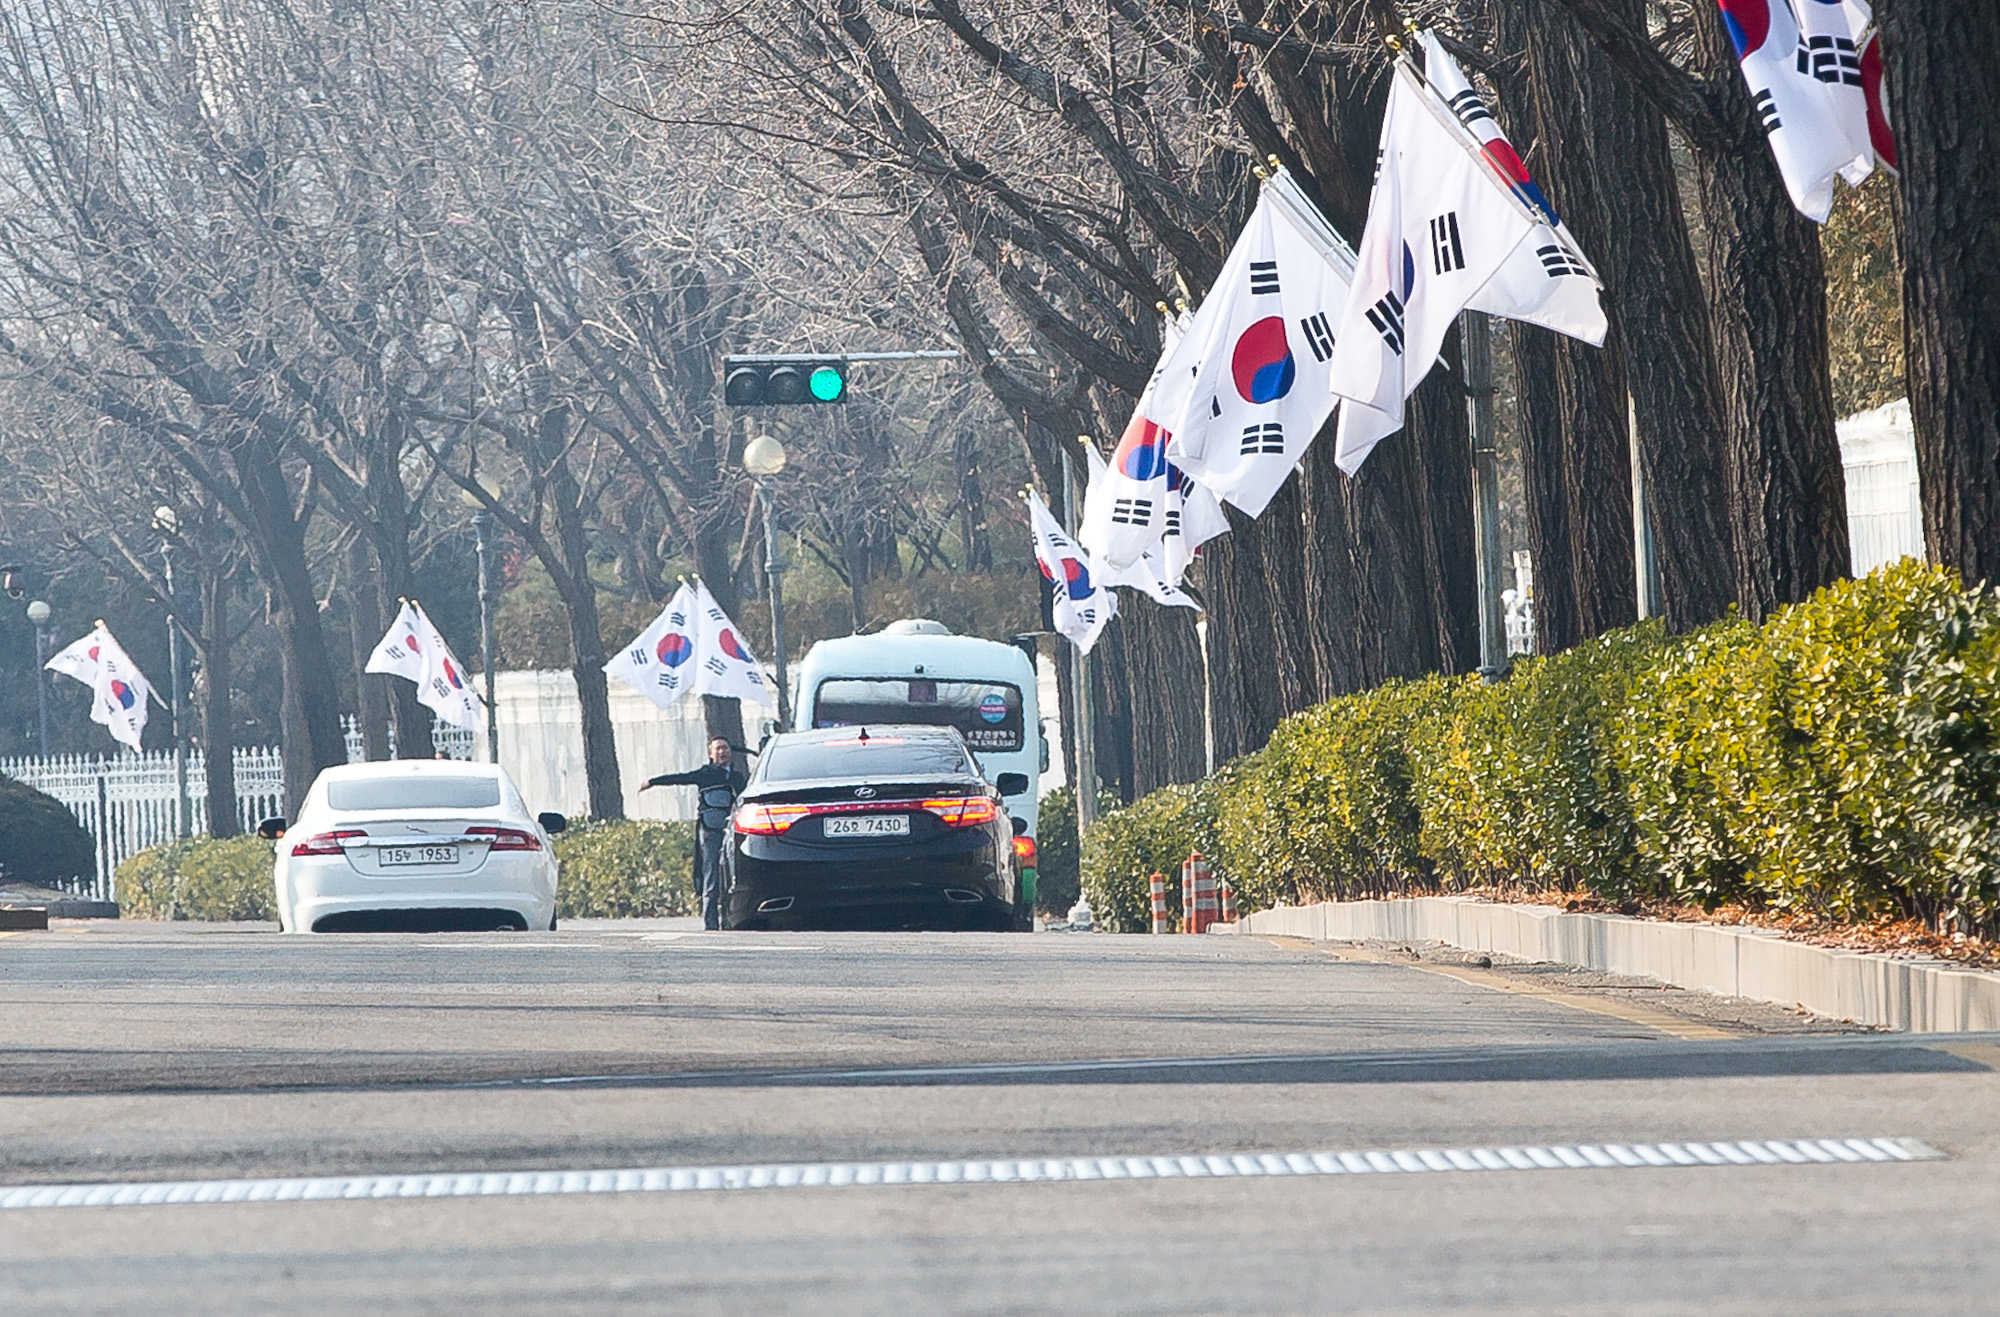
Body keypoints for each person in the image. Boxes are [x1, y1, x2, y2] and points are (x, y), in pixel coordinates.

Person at [640, 736, 749, 930]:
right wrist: (652, 782)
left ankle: (729, 921)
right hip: (709, 831)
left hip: (732, 832)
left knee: (731, 876)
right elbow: (679, 778)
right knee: (711, 874)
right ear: (710, 754)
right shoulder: (705, 774)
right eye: (718, 749)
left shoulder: (738, 777)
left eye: (725, 748)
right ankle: (710, 923)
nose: (722, 752)